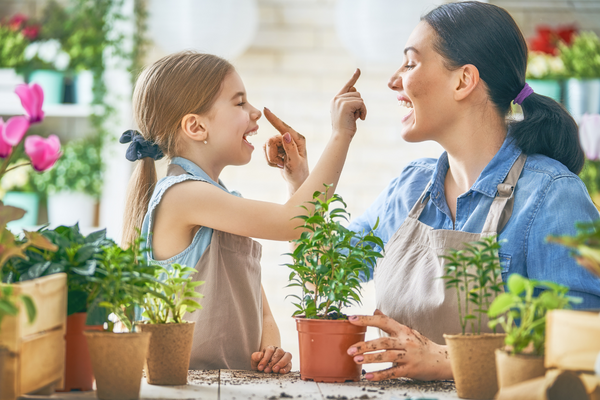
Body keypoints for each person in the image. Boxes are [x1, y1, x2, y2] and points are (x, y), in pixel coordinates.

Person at [264, 1, 600, 382]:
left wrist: (446, 360)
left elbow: (583, 351)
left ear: (463, 80)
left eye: (410, 63)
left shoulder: (553, 196)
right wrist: (300, 182)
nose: (394, 81)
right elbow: (321, 276)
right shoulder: (411, 188)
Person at [120, 52, 367, 372]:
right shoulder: (182, 195)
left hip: (229, 386)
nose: (255, 113)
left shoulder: (221, 201)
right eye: (239, 103)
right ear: (195, 126)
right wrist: (340, 134)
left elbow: (261, 314)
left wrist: (271, 349)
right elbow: (293, 222)